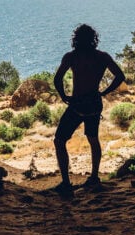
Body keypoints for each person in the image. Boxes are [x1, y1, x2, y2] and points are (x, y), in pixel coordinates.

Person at [53, 24, 126, 195]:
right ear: (94, 38)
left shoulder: (71, 57)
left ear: (75, 39)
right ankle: (94, 177)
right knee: (93, 139)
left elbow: (57, 79)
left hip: (77, 104)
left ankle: (66, 183)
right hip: (94, 102)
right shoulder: (102, 57)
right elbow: (120, 76)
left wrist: (64, 95)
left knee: (59, 140)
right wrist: (105, 92)